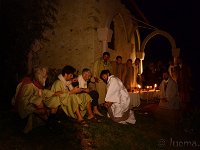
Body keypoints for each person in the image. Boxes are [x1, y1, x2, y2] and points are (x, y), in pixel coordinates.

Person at [12, 67, 62, 133]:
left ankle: (50, 123)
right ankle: (50, 124)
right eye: (44, 76)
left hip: (32, 104)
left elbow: (43, 91)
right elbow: (23, 101)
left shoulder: (37, 82)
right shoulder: (29, 85)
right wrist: (34, 108)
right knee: (42, 109)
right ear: (39, 76)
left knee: (51, 105)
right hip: (25, 107)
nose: (46, 77)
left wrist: (54, 93)